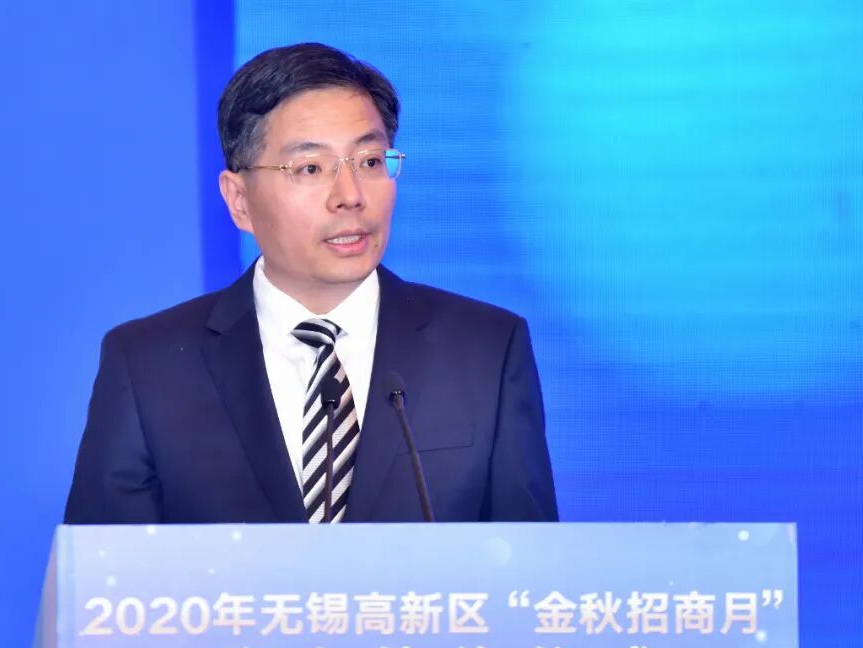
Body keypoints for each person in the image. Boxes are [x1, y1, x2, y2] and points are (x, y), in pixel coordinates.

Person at [64, 42, 558, 524]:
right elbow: (105, 572)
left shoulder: (485, 350)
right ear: (239, 201)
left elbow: (527, 567)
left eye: (370, 161)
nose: (350, 196)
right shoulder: (148, 365)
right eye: (310, 168)